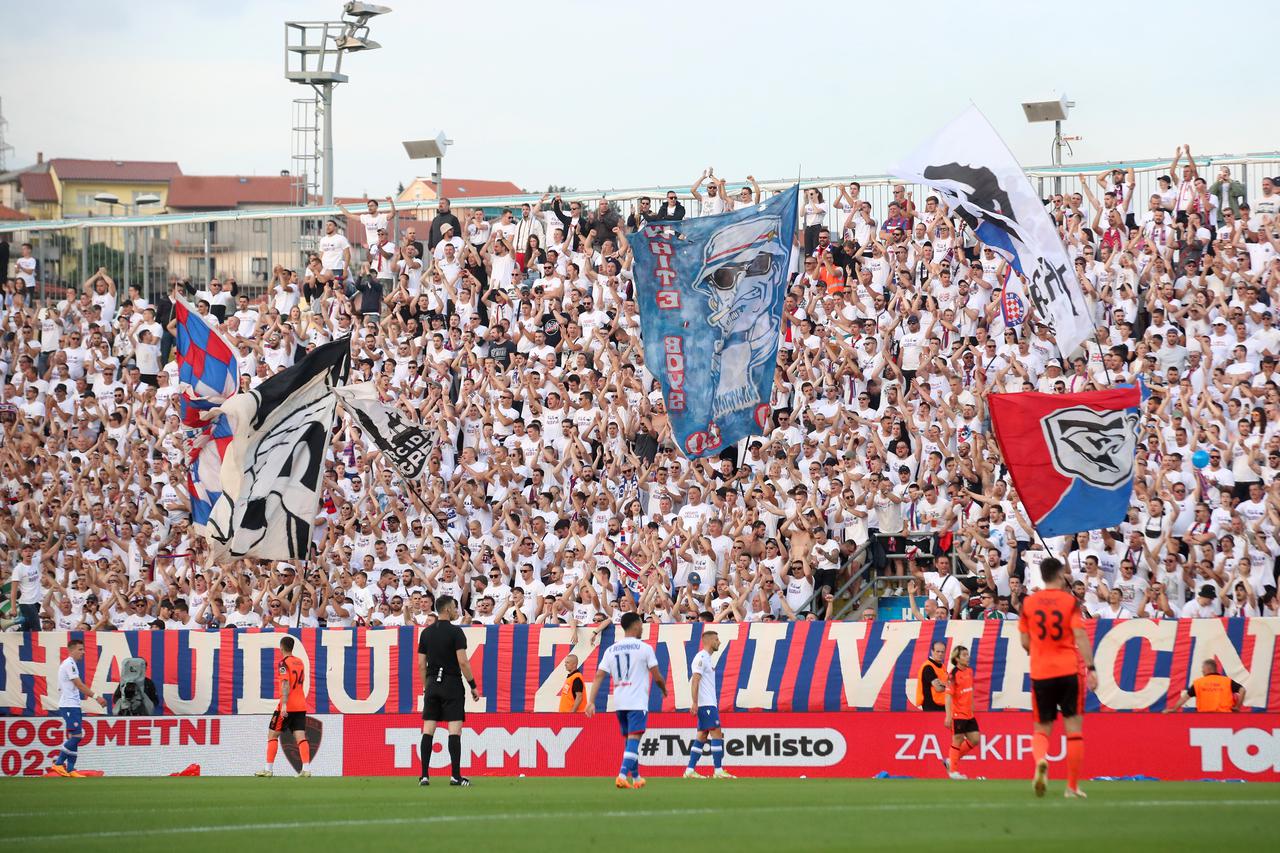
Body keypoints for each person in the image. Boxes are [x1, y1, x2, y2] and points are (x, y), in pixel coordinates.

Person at [1019, 557, 1098, 799]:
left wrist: (1037, 651)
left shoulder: (1029, 603)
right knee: (1074, 730)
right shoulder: (1069, 601)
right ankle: (1072, 787)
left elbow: (1024, 641)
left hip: (1041, 671)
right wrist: (1091, 668)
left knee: (1041, 729)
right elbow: (1080, 635)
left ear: (1042, 576)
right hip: (1068, 670)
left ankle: (1041, 760)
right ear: (1061, 573)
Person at [585, 611, 667, 789]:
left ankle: (636, 778)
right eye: (641, 624)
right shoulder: (644, 648)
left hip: (620, 702)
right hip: (637, 701)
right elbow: (657, 675)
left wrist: (591, 701)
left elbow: (599, 675)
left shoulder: (611, 649)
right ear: (637, 625)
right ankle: (622, 775)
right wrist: (663, 689)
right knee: (635, 739)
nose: (643, 627)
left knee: (630, 740)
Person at [417, 595, 481, 786]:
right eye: (454, 607)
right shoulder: (456, 632)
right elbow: (463, 661)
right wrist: (473, 685)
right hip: (452, 684)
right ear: (446, 609)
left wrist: (425, 685)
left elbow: (421, 664)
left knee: (428, 729)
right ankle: (455, 775)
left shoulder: (426, 633)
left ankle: (424, 775)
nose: (456, 610)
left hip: (432, 684)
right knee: (454, 731)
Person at [48, 638, 106, 777]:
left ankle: (71, 770)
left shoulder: (71, 664)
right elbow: (79, 685)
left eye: (83, 649)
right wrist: (96, 697)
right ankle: (58, 764)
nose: (83, 652)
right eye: (80, 649)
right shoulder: (69, 664)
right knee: (77, 736)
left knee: (75, 736)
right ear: (71, 650)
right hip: (68, 705)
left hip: (73, 705)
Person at [255, 635, 311, 777]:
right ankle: (306, 769)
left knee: (272, 734)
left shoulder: (283, 664)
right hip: (301, 704)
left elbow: (285, 684)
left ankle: (268, 769)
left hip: (288, 704)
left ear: (281, 647)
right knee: (300, 736)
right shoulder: (300, 662)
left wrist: (284, 704)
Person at [683, 629, 733, 779]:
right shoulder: (701, 658)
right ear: (710, 641)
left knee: (702, 736)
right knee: (716, 733)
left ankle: (690, 770)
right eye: (717, 640)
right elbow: (695, 680)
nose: (719, 642)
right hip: (706, 705)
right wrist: (695, 702)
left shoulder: (707, 658)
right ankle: (718, 771)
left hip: (708, 704)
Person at [943, 645, 979, 780]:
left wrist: (972, 706)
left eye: (967, 654)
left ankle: (950, 761)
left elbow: (971, 690)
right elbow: (948, 696)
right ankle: (953, 771)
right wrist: (948, 716)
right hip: (958, 714)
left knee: (975, 739)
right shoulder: (953, 675)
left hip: (969, 713)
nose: (967, 657)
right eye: (964, 655)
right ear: (957, 658)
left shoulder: (969, 671)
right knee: (957, 740)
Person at [1163, 660, 1244, 713]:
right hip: (1226, 717)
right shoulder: (1227, 681)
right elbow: (1242, 690)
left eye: (1203, 668)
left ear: (1209, 669)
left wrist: (1174, 709)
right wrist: (1237, 707)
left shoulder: (1198, 683)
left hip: (1204, 718)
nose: (1202, 671)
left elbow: (1184, 698)